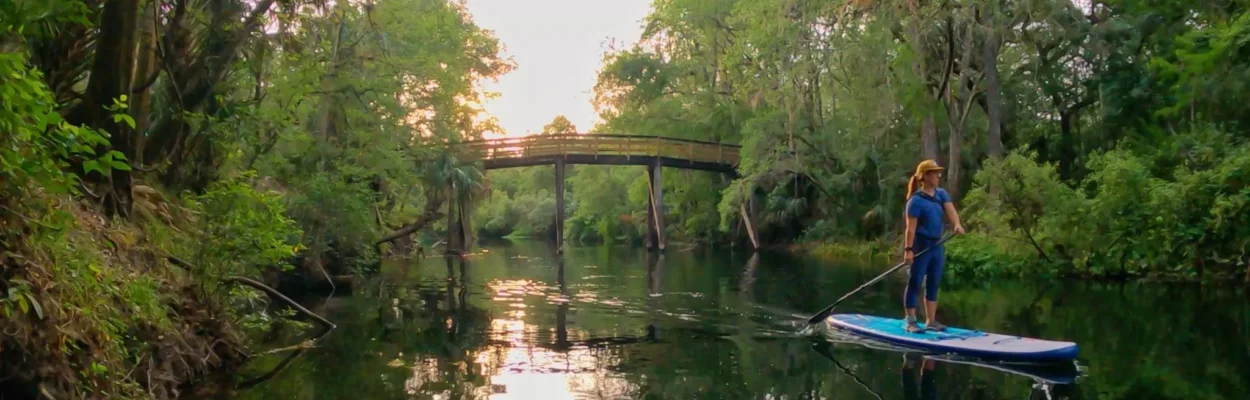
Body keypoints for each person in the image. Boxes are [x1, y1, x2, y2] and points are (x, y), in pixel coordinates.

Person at [902, 159, 964, 333]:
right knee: (915, 282)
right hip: (921, 246)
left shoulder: (941, 194)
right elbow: (910, 229)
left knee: (933, 282)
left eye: (938, 172)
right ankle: (911, 321)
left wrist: (957, 224)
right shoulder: (915, 201)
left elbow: (951, 211)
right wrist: (908, 250)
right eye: (934, 172)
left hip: (937, 245)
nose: (938, 175)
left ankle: (931, 321)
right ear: (924, 176)